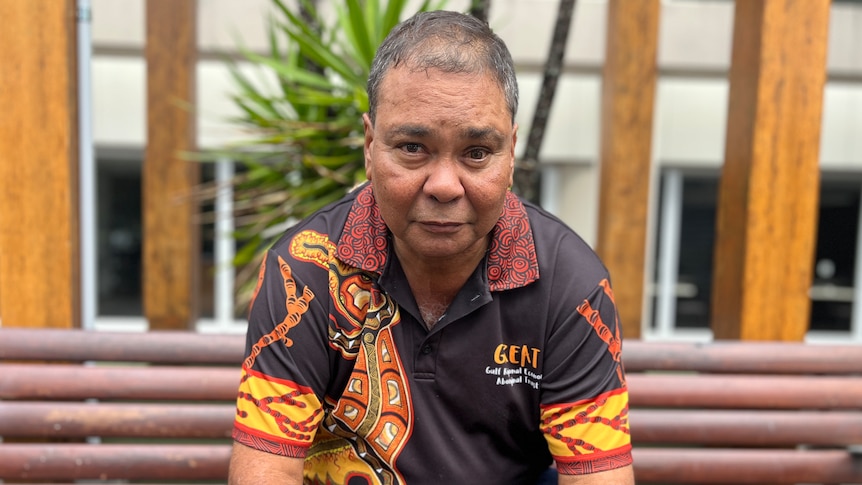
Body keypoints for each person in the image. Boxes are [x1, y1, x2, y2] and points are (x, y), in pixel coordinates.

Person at [228, 9, 633, 485]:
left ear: (511, 154)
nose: (444, 186)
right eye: (413, 148)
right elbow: (266, 470)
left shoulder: (569, 283)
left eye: (477, 153)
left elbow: (596, 477)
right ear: (369, 145)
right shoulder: (305, 269)